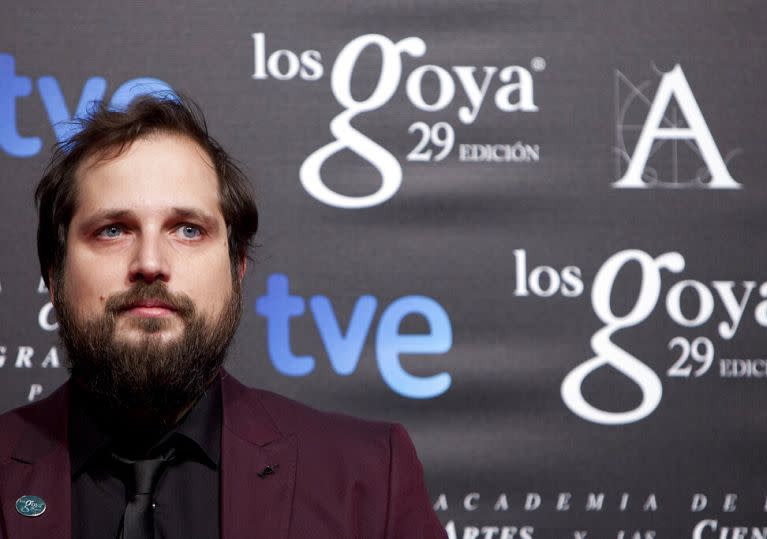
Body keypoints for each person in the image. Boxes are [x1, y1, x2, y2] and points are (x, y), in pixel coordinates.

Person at [0, 95, 447, 539]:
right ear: (54, 276)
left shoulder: (366, 480)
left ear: (237, 268)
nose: (150, 262)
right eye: (113, 230)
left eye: (188, 230)